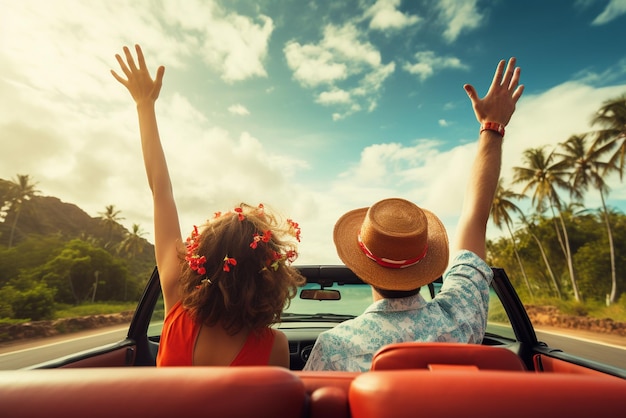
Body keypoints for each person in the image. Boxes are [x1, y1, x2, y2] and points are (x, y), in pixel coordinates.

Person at [303, 57, 524, 372]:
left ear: (364, 269)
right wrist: (492, 127)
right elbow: (475, 218)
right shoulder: (461, 319)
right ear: (425, 261)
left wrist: (493, 127)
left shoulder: (335, 348)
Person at [111, 44, 305, 367]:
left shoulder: (175, 304)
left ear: (200, 262)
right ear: (267, 278)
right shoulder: (274, 347)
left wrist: (144, 105)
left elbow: (161, 191)